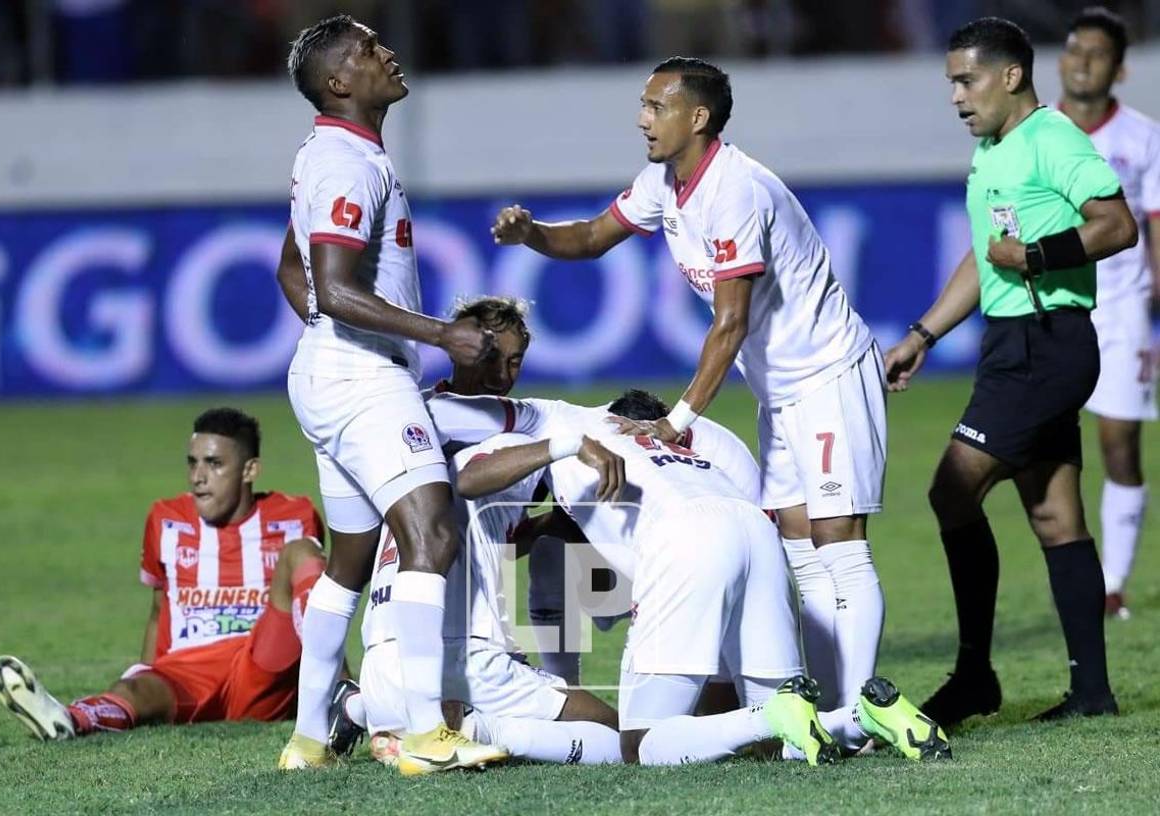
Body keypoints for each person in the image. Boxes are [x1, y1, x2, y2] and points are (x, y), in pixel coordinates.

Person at [491, 57, 883, 714]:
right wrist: (531, 235)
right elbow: (591, 236)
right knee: (799, 548)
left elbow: (729, 326)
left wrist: (677, 419)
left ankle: (864, 705)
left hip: (828, 375)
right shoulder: (662, 182)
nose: (642, 118)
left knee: (839, 543)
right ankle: (833, 708)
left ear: (697, 117)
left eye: (656, 106)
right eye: (642, 105)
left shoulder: (735, 191)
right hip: (781, 390)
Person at [424, 391, 952, 765]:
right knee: (772, 744)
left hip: (682, 542)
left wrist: (560, 447)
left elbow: (467, 477)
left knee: (640, 745)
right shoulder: (700, 439)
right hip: (750, 530)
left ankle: (781, 715)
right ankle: (860, 716)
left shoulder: (558, 422)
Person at [883, 17, 1138, 728]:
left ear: (1010, 76)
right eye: (952, 83)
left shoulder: (1051, 140)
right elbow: (985, 254)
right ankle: (1092, 692)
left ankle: (972, 677)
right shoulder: (994, 150)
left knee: (950, 488)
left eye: (966, 81)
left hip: (1045, 344)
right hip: (1015, 342)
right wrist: (924, 333)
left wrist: (1037, 258)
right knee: (1056, 517)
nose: (956, 97)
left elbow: (1117, 225)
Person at [277, 13, 504, 773]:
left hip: (328, 372)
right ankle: (421, 734)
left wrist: (325, 342)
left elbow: (293, 271)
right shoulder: (347, 164)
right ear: (340, 82)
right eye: (370, 51)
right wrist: (441, 335)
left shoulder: (328, 155)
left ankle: (309, 738)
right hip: (364, 380)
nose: (388, 54)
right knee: (432, 535)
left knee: (350, 559)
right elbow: (334, 288)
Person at [0, 408, 327, 739]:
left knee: (300, 552)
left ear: (249, 470)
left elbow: (321, 607)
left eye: (214, 463)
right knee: (131, 689)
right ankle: (70, 719)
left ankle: (340, 694)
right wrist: (145, 674)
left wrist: (339, 678)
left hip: (260, 667)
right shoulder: (166, 519)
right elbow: (158, 610)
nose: (198, 476)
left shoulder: (294, 516)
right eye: (192, 462)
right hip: (188, 673)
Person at [338, 430, 626, 769]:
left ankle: (362, 710)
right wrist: (566, 446)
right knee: (621, 734)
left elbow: (492, 536)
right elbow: (471, 480)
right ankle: (473, 727)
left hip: (380, 674)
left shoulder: (417, 469)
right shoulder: (509, 447)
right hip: (460, 663)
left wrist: (548, 523)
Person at [1058, 6, 1160, 620]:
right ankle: (1073, 570)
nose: (1081, 62)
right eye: (1074, 49)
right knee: (1045, 448)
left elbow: (1154, 227)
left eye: (1095, 53)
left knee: (1119, 444)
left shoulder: (1142, 137)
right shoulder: (1037, 131)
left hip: (1122, 310)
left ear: (1117, 71)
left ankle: (1112, 581)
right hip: (1054, 304)